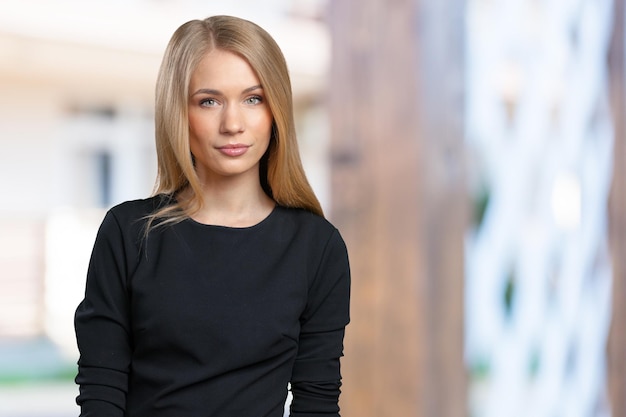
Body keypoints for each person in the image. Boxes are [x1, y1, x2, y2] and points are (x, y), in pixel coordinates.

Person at [74, 15, 351, 417]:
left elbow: (317, 404)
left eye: (253, 98)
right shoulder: (127, 234)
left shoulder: (317, 247)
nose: (233, 124)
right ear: (179, 113)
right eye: (209, 101)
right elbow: (101, 392)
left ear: (276, 111)